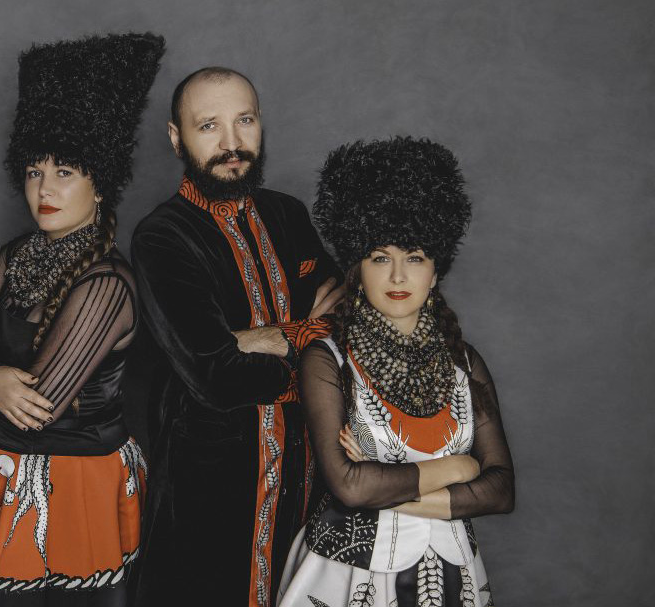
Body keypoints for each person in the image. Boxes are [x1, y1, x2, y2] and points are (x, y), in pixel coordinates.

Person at [0, 33, 164, 606]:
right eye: (34, 171)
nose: (45, 188)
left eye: (65, 171)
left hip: (69, 489)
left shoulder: (107, 285)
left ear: (100, 182)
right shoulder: (18, 252)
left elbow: (35, 410)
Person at [132, 67, 346, 607]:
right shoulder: (162, 237)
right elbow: (216, 376)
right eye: (209, 126)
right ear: (176, 138)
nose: (232, 143)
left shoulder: (289, 214)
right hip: (209, 496)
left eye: (244, 121)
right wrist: (306, 341)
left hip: (309, 485)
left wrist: (256, 338)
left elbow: (349, 325)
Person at [274, 136, 515, 607]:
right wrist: (458, 468)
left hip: (455, 576)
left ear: (435, 272)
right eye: (381, 257)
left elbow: (502, 490)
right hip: (348, 576)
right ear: (358, 268)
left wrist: (383, 485)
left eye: (415, 257)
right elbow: (347, 486)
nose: (398, 276)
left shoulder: (465, 362)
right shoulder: (327, 359)